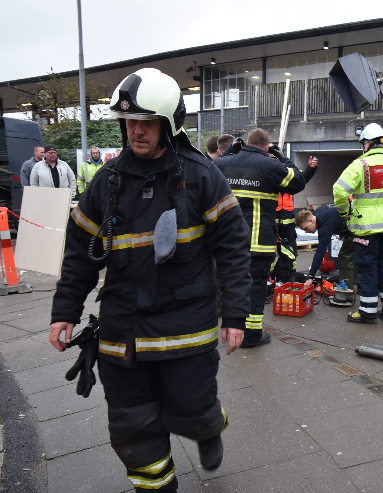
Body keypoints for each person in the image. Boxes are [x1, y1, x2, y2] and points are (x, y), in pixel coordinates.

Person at [48, 68, 252, 492]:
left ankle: (207, 427)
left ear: (168, 123)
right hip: (123, 326)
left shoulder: (201, 176)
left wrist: (235, 315)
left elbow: (232, 250)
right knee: (130, 421)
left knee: (193, 406)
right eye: (129, 123)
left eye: (147, 122)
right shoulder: (106, 182)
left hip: (187, 321)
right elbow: (78, 254)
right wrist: (64, 311)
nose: (136, 132)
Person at [216, 128, 305, 347]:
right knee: (255, 288)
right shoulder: (270, 165)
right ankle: (252, 336)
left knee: (230, 286)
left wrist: (229, 151)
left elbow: (210, 168)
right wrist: (281, 156)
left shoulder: (225, 163)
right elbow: (298, 181)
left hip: (228, 243)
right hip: (258, 243)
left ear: (245, 143)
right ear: (266, 146)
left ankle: (231, 330)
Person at [332, 123, 383, 324]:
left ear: (367, 143)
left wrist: (345, 212)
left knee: (367, 267)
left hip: (365, 229)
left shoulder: (360, 165)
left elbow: (339, 191)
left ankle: (367, 311)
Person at [272, 154, 318, 283]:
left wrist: (310, 168)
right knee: (268, 253)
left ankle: (288, 276)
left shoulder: (286, 172)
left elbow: (301, 179)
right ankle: (272, 277)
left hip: (287, 222)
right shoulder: (267, 172)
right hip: (271, 221)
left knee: (291, 252)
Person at [296, 205, 356, 288]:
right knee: (347, 257)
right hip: (352, 228)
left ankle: (348, 290)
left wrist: (310, 276)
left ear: (311, 220)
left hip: (358, 231)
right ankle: (353, 284)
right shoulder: (319, 211)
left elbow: (320, 252)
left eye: (305, 228)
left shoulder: (325, 226)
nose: (306, 232)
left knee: (346, 258)